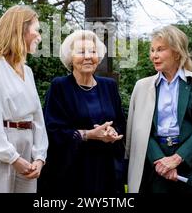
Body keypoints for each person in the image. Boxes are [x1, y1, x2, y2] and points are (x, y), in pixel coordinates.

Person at [125, 25, 192, 193]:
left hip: (191, 164)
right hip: (155, 166)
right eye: (152, 50)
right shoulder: (142, 87)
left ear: (177, 52)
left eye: (160, 49)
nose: (154, 56)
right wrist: (160, 161)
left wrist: (177, 159)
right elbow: (141, 130)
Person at [0, 5, 48, 193]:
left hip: (27, 149)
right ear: (20, 29)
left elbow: (37, 118)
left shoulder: (27, 71)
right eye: (36, 30)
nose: (39, 36)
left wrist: (39, 157)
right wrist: (12, 157)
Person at [38, 30, 126, 194]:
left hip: (106, 169)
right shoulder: (60, 86)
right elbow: (53, 130)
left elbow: (121, 122)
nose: (88, 56)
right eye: (81, 52)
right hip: (73, 171)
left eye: (92, 51)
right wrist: (88, 134)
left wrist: (113, 131)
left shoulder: (109, 86)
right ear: (70, 58)